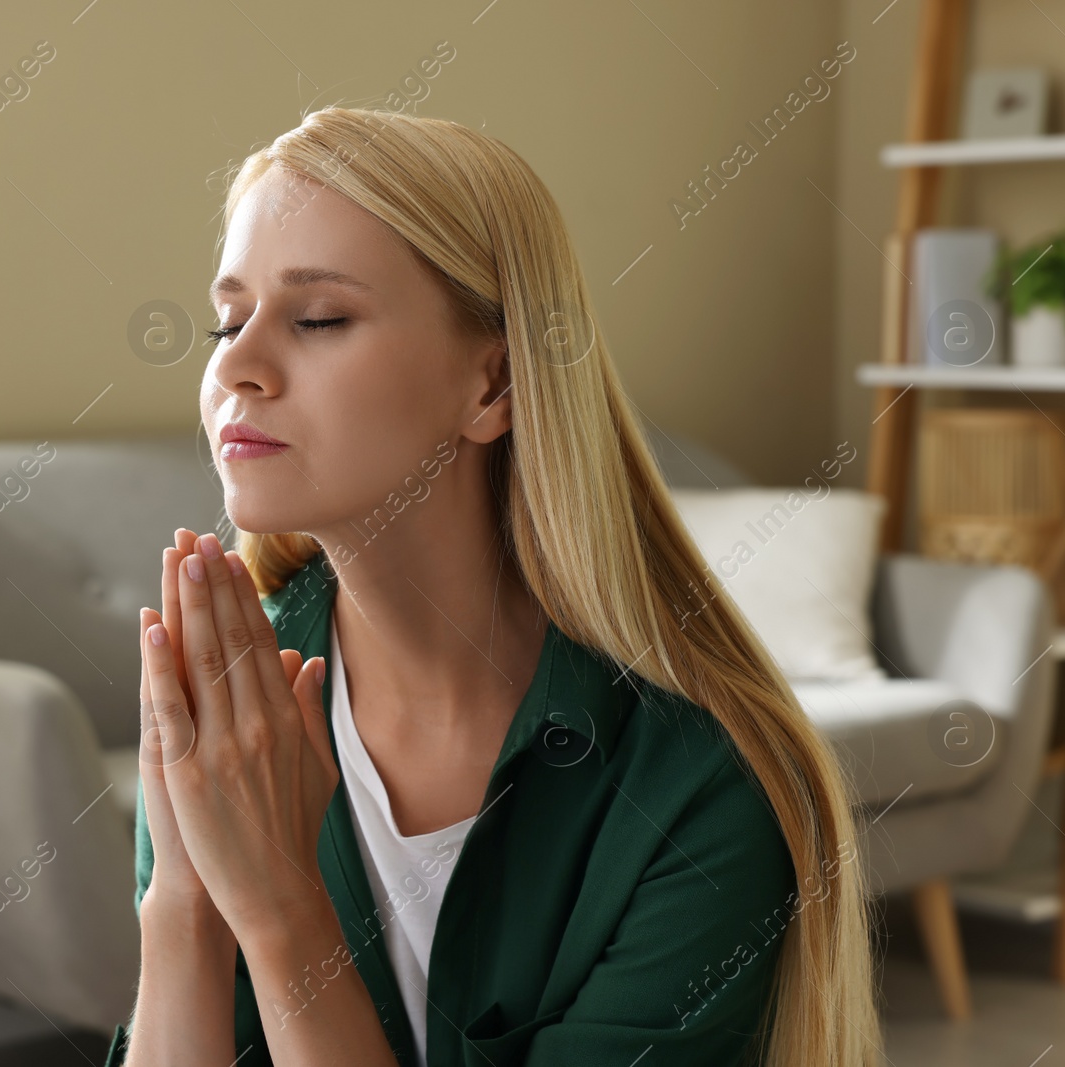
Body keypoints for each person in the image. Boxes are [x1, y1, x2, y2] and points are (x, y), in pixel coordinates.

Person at [105, 106, 881, 1066]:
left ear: (494, 386)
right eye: (228, 319)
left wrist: (278, 912)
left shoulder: (701, 787)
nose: (235, 364)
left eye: (317, 319)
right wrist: (182, 899)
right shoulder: (231, 707)